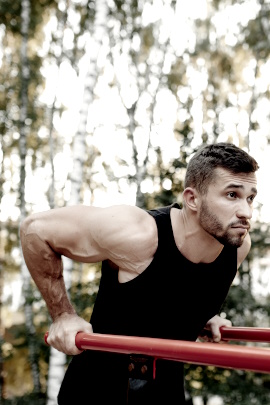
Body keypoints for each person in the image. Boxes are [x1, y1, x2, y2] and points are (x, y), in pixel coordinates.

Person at [20, 142, 259, 404]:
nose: (246, 212)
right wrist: (63, 314)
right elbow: (36, 229)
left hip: (165, 395)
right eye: (232, 195)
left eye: (250, 198)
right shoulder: (138, 233)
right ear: (192, 199)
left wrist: (201, 315)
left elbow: (170, 289)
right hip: (96, 394)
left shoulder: (236, 247)